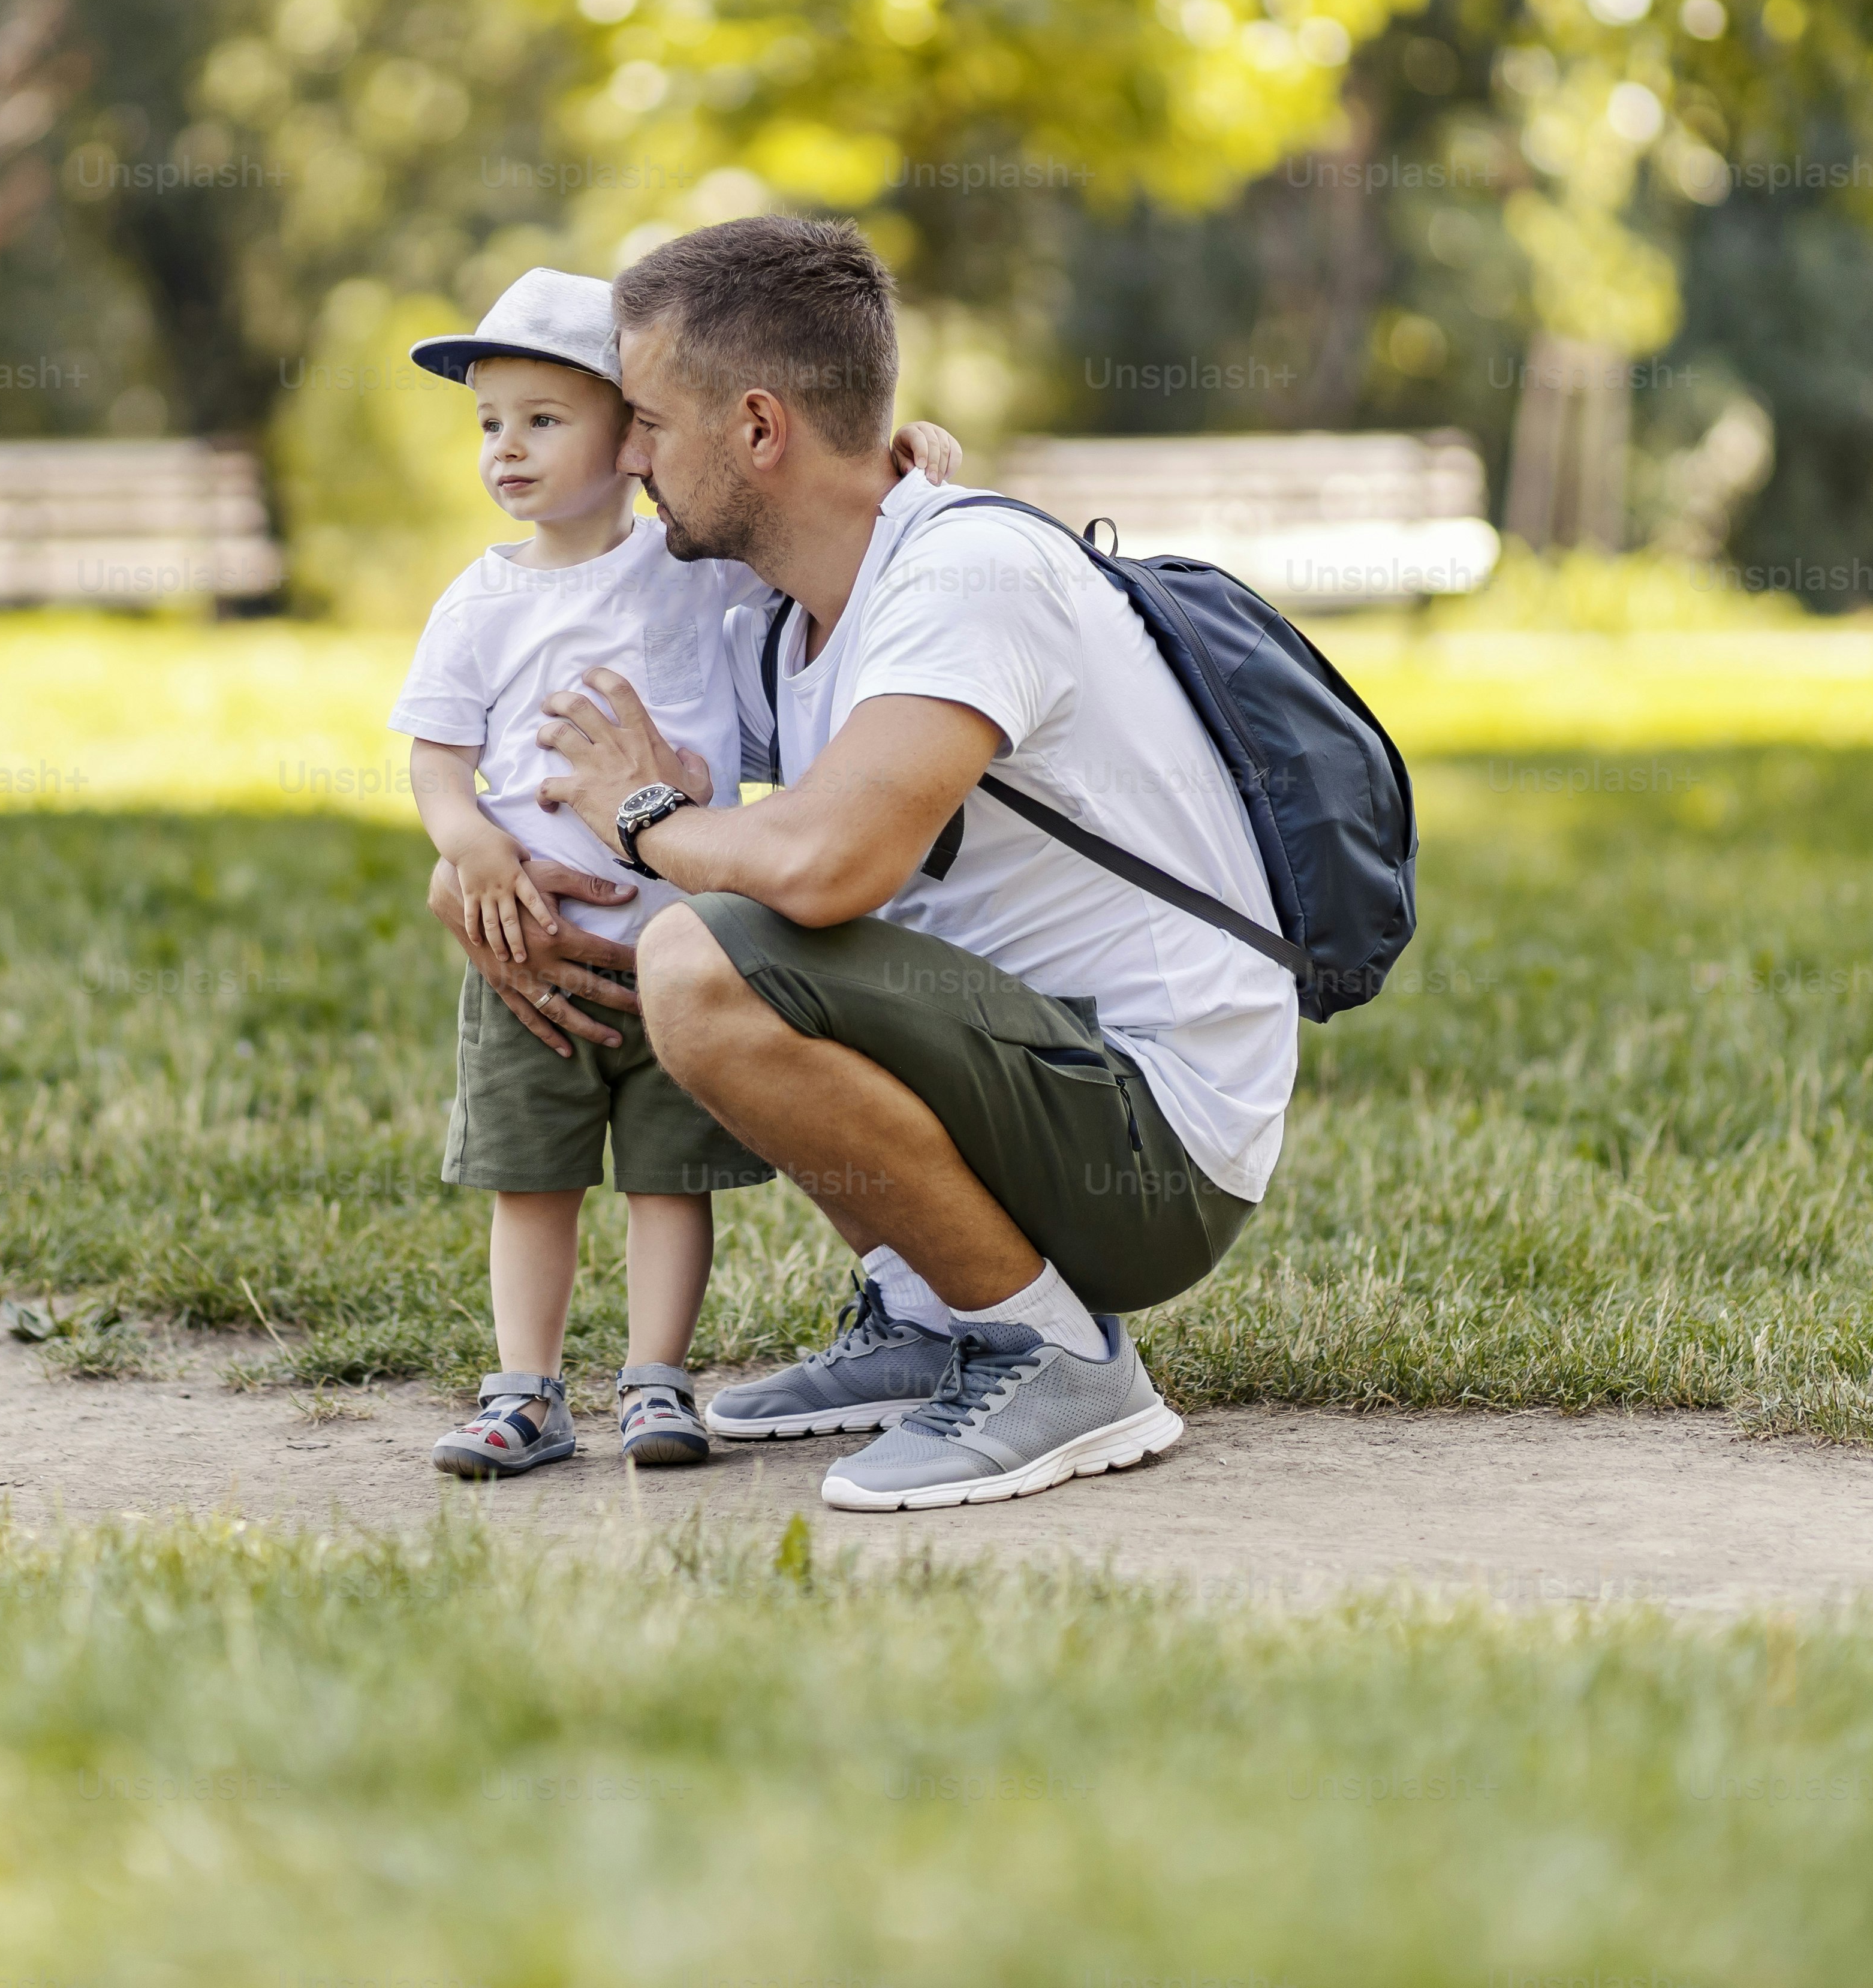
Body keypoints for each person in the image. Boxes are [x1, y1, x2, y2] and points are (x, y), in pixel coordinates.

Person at [444, 216, 1299, 1513]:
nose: (627, 455)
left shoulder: (968, 573)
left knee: (710, 959)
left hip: (1156, 1144)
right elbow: (550, 763)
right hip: (1043, 1079)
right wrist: (481, 874)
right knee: (723, 940)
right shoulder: (774, 620)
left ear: (760, 428)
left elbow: (825, 863)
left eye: (649, 422)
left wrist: (642, 816)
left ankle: (1055, 1355)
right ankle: (925, 1313)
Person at [390, 266, 962, 1480]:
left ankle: (658, 1378)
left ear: (629, 431)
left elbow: (827, 525)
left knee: (666, 1179)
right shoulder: (478, 600)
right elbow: (435, 756)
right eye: (491, 423)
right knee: (530, 1178)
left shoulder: (692, 567)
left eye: (545, 419)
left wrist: (901, 453)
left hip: (680, 949)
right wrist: (471, 844)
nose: (508, 448)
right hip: (533, 953)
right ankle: (525, 1390)